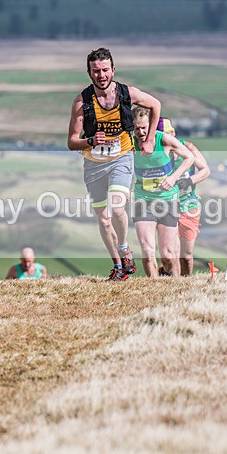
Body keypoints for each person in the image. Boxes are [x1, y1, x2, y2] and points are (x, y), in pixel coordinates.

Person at [67, 47, 162, 281]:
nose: (101, 75)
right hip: (94, 164)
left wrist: (149, 139)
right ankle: (119, 266)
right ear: (89, 73)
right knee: (103, 218)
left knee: (117, 208)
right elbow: (71, 141)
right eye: (96, 71)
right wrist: (89, 141)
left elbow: (155, 105)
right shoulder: (82, 101)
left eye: (105, 70)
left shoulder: (127, 94)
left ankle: (124, 247)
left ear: (113, 70)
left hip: (122, 157)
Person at [131, 107, 193, 277]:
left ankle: (173, 285)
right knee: (147, 252)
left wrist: (173, 178)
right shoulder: (130, 143)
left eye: (144, 127)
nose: (141, 132)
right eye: (137, 128)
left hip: (167, 200)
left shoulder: (163, 140)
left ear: (151, 126)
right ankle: (153, 290)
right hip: (143, 200)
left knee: (167, 256)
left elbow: (189, 157)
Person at [158, 117, 211, 276]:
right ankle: (171, 280)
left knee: (186, 257)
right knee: (170, 255)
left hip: (189, 206)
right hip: (165, 208)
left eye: (169, 134)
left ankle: (186, 283)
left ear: (173, 133)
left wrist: (188, 181)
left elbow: (205, 170)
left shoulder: (188, 147)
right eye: (162, 136)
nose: (167, 139)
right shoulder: (154, 152)